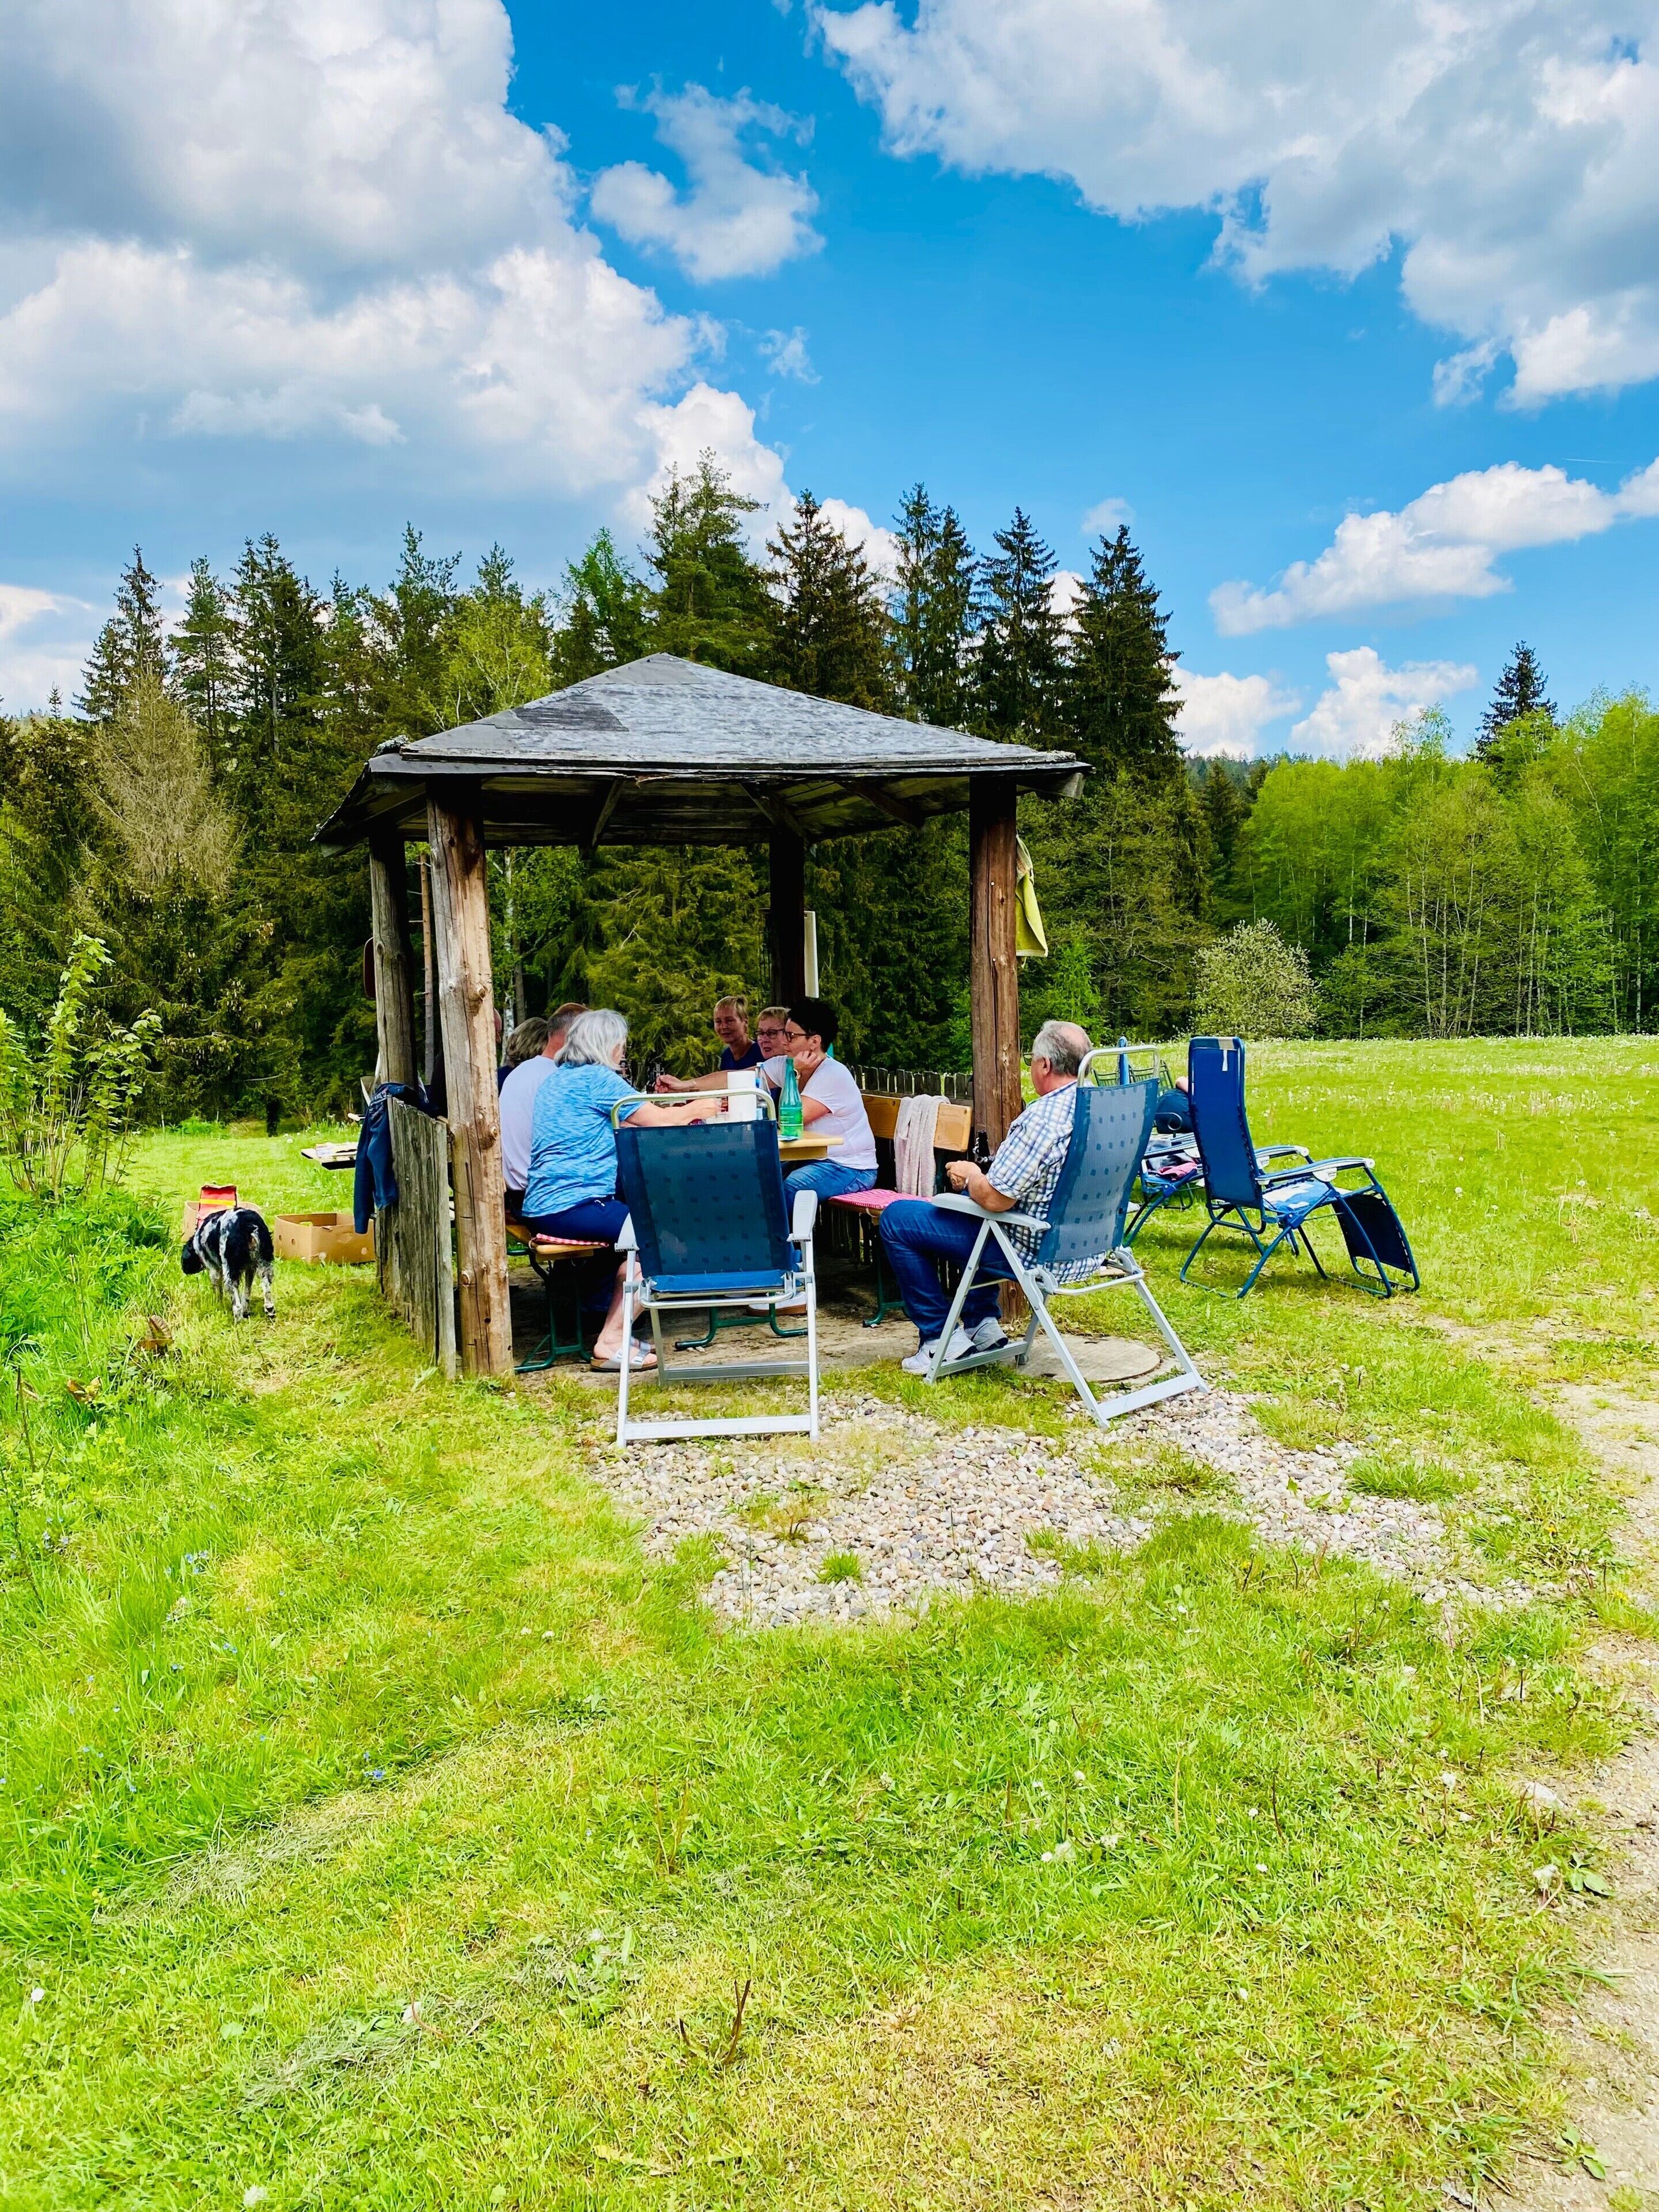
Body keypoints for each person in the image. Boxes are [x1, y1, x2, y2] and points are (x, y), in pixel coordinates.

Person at [878, 1020, 1097, 1375]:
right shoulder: (1099, 1110)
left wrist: (971, 1176)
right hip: (1085, 1244)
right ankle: (982, 1323)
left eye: (1032, 1061)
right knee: (976, 1219)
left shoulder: (1044, 1118)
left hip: (1030, 1249)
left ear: (1045, 1066)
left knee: (898, 1219)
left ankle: (939, 1340)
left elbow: (997, 1199)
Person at [521, 1007, 724, 1372]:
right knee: (665, 1243)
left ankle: (607, 1325)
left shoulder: (560, 1078)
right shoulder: (600, 1079)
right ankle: (611, 1339)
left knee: (631, 1239)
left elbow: (625, 1121)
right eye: (621, 1044)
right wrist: (699, 1106)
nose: (623, 1050)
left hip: (543, 1204)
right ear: (608, 1045)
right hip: (576, 1205)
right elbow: (659, 1120)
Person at [762, 997, 876, 1204]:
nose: (783, 1042)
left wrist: (792, 1072)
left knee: (792, 1189)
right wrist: (689, 1086)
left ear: (814, 1042)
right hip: (815, 1158)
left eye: (791, 1036)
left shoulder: (833, 1074)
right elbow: (745, 1076)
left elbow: (792, 1120)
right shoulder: (789, 1064)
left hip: (851, 1167)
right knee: (761, 1177)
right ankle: (770, 1235)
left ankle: (783, 1238)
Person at [499, 1003, 584, 1217]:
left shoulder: (520, 1072)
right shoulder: (557, 1078)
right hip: (545, 1196)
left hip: (517, 1192)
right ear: (574, 1037)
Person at [655, 993, 763, 1090]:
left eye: (730, 1021)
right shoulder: (726, 1055)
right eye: (718, 1021)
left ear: (745, 1022)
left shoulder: (761, 1052)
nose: (723, 1026)